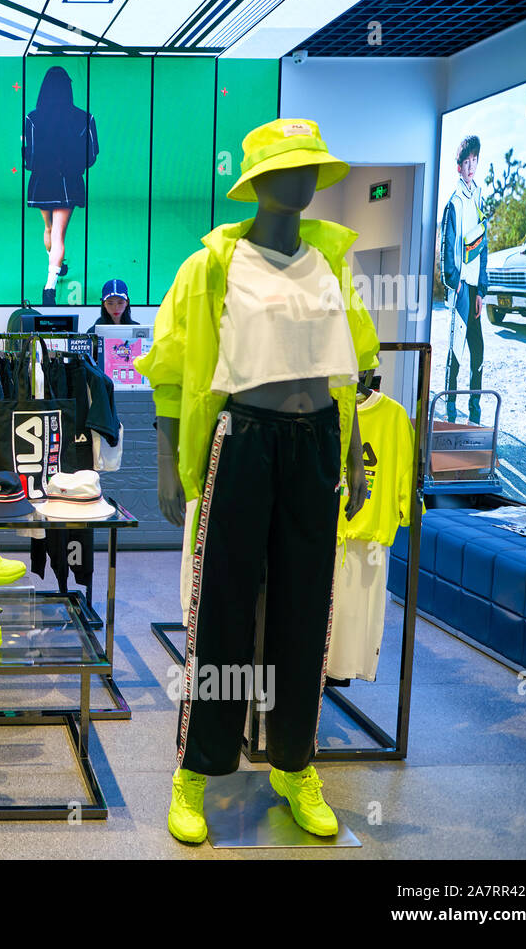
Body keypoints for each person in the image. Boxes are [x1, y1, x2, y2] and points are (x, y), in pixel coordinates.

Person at [138, 118, 379, 846]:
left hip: (316, 444)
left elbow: (350, 371)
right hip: (243, 439)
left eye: (312, 168)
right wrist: (165, 464)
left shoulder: (333, 262)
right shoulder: (213, 265)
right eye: (289, 169)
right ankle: (195, 770)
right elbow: (173, 371)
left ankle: (293, 763)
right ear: (260, 181)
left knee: (309, 607)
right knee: (223, 609)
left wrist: (354, 456)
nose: (305, 181)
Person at [23, 66, 98, 306]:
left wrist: (39, 167)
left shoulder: (32, 118)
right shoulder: (86, 118)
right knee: (58, 234)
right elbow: (93, 153)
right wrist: (76, 168)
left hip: (41, 181)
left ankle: (54, 267)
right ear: (68, 88)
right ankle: (50, 285)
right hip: (69, 182)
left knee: (49, 230)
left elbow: (28, 155)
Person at [440, 134, 488, 425]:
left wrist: (482, 289)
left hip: (475, 288)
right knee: (456, 351)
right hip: (460, 289)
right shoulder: (454, 203)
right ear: (459, 167)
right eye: (466, 162)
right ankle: (449, 412)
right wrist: (455, 282)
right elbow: (447, 249)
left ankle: (475, 413)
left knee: (478, 350)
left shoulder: (479, 197)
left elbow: (483, 246)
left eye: (475, 161)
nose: (471, 166)